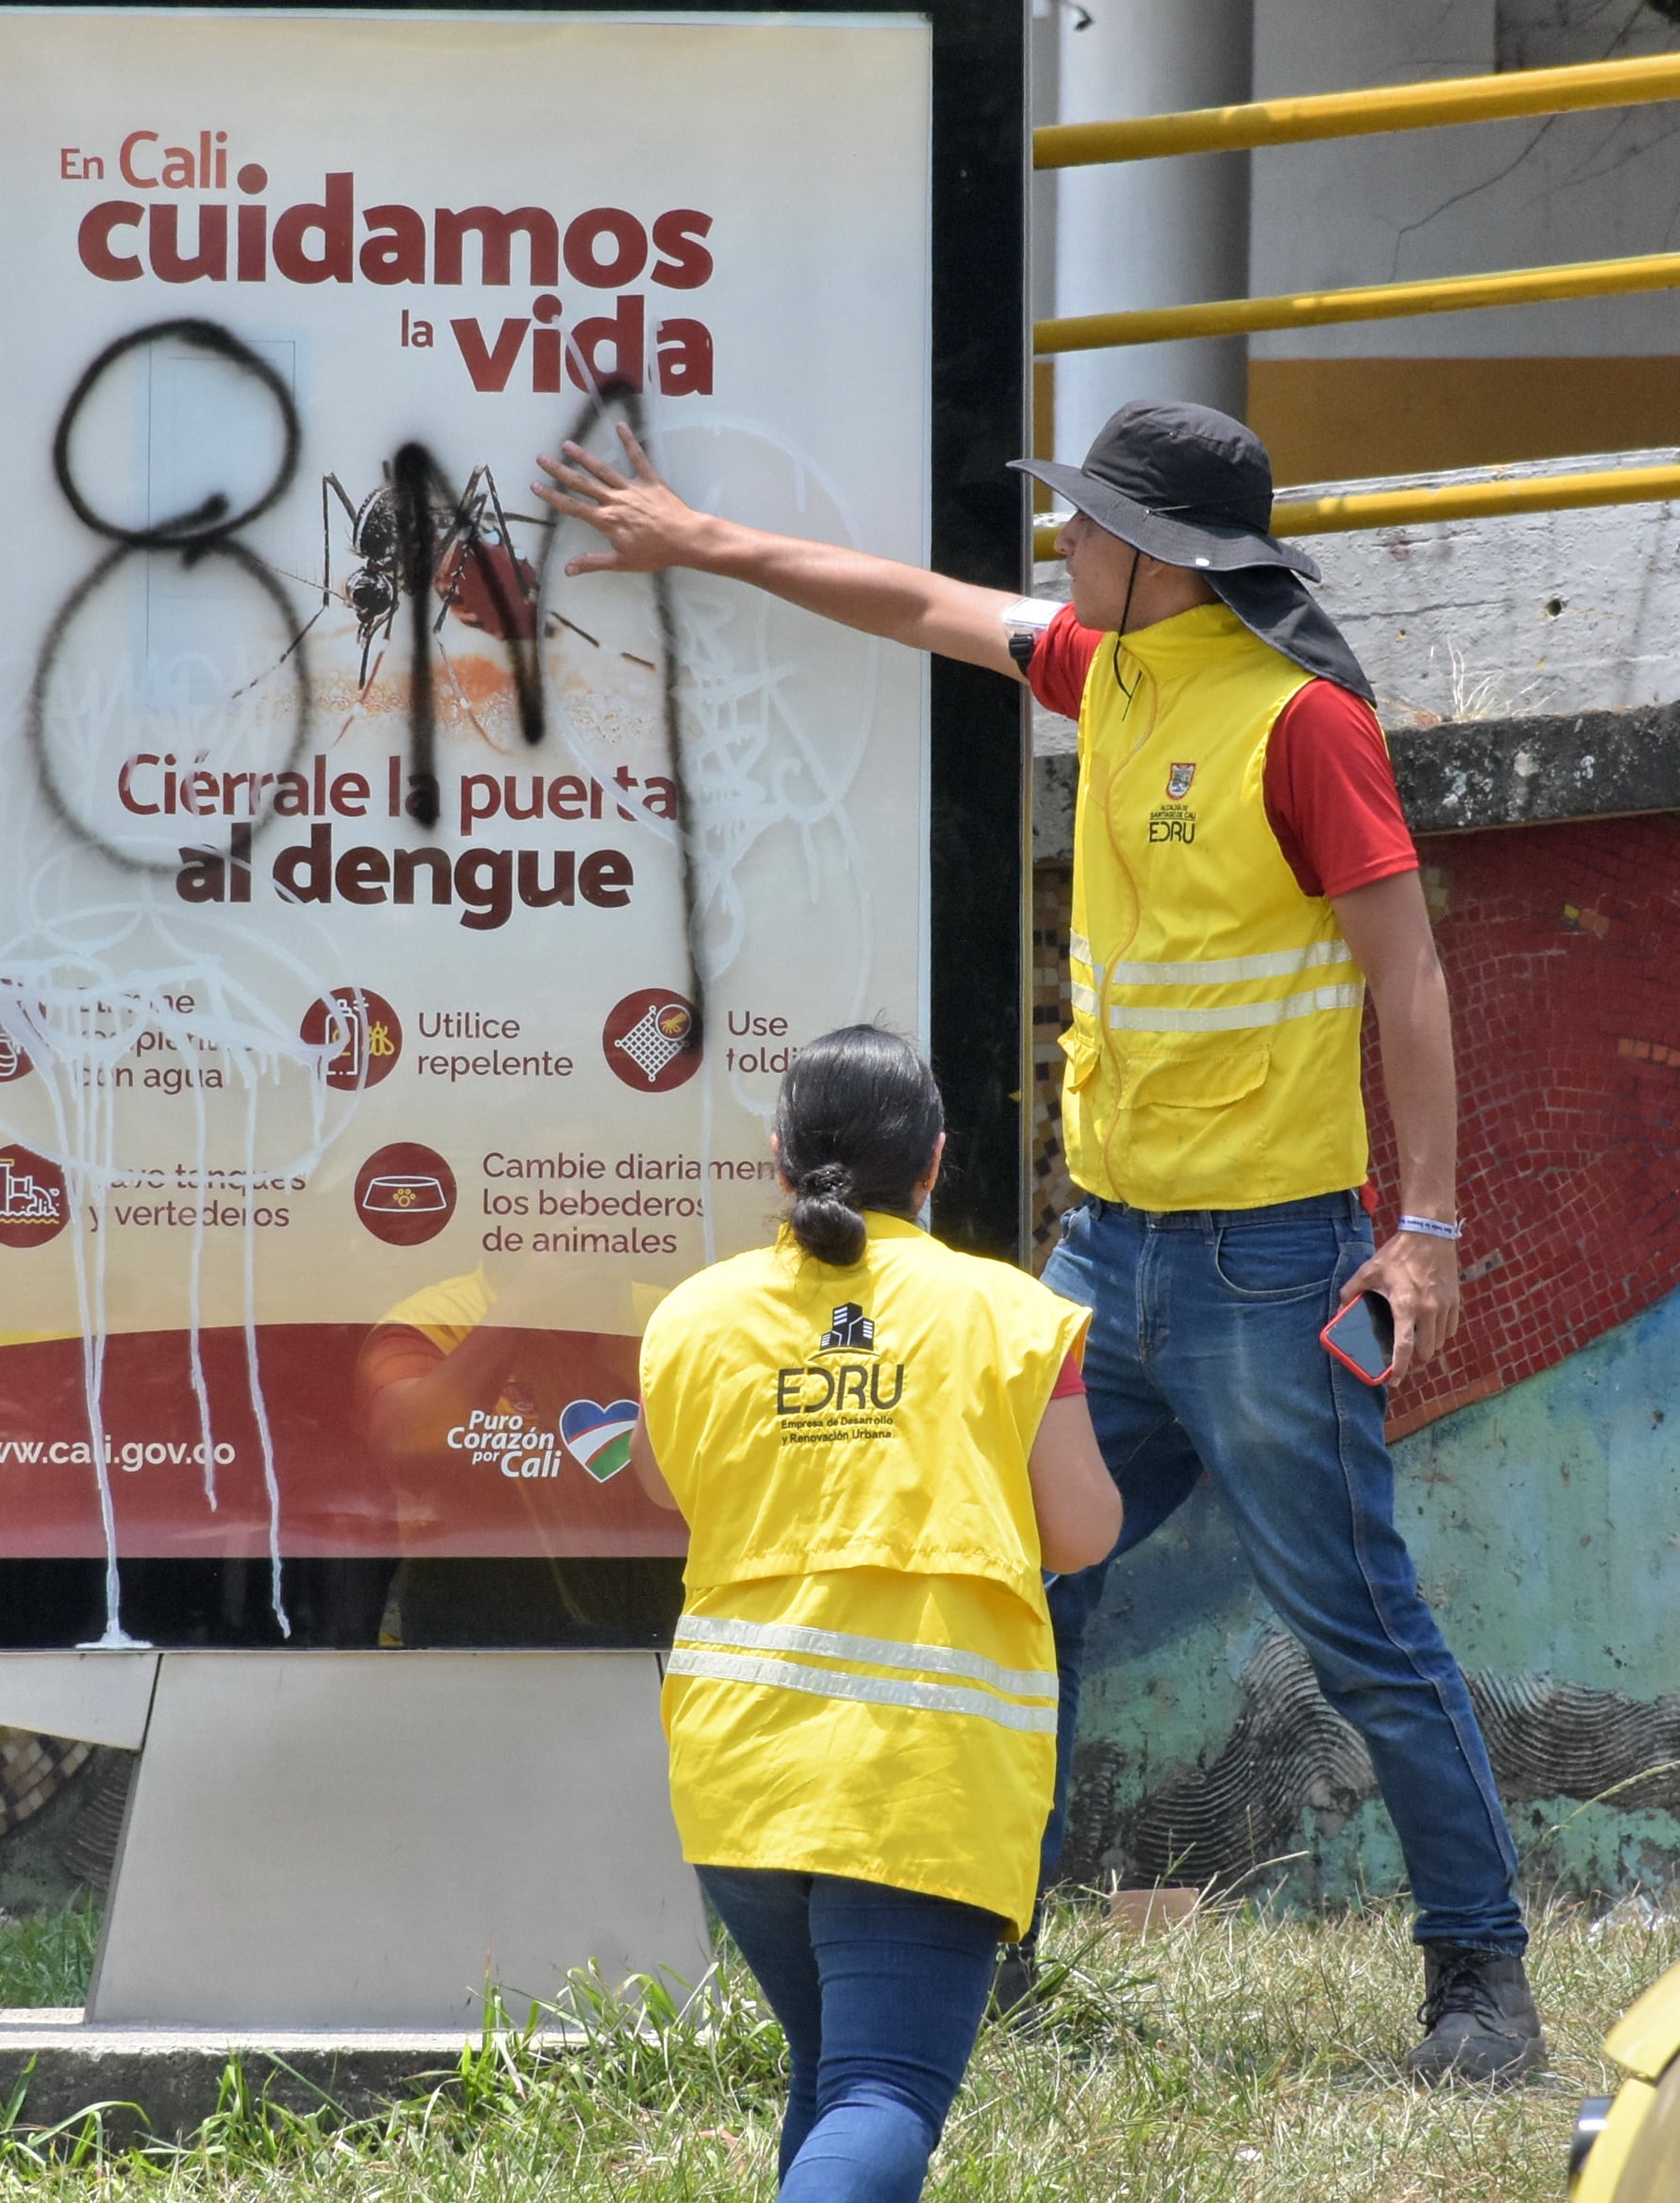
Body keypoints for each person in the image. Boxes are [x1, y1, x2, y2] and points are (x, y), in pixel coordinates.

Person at [541, 401, 1543, 2084]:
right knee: (1017, 1571)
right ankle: (977, 1940)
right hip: (1108, 1259)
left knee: (1360, 1627)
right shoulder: (1110, 661)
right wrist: (691, 537)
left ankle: (1477, 1980)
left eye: (1087, 527)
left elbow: (1409, 977)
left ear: (1167, 560)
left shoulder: (1299, 726)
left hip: (1266, 1266)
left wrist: (1423, 1231)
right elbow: (915, 602)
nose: (1060, 550)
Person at [631, 1026, 1120, 2202]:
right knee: (881, 2092)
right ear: (937, 1160)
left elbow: (661, 1484)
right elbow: (1083, 1531)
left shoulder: (691, 1317)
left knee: (833, 2071)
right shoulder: (1009, 1313)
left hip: (738, 1776)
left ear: (777, 1160)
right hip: (921, 1776)